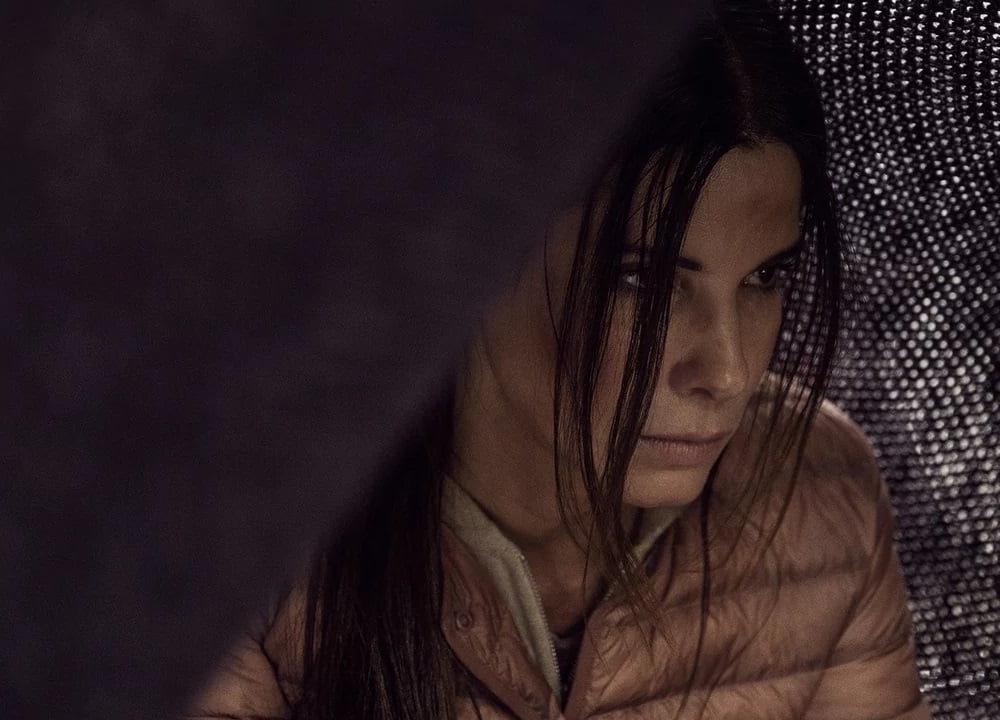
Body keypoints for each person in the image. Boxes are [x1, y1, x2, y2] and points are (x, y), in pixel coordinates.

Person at [188, 2, 931, 718]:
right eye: (644, 282)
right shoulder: (254, 519)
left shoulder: (816, 489)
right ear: (474, 254)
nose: (729, 372)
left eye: (764, 277)